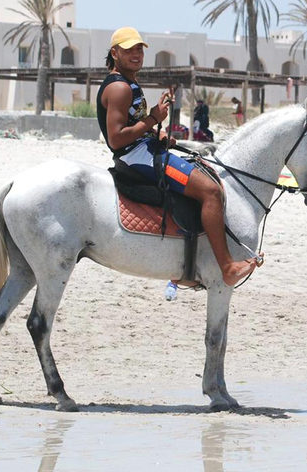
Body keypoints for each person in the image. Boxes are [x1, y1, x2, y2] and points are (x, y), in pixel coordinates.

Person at [96, 27, 259, 287]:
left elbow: (132, 123)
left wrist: (155, 132)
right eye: (129, 50)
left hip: (143, 147)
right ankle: (227, 266)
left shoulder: (128, 82)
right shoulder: (119, 88)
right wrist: (154, 118)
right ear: (114, 53)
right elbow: (116, 138)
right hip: (135, 156)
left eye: (139, 49)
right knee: (209, 191)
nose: (136, 54)